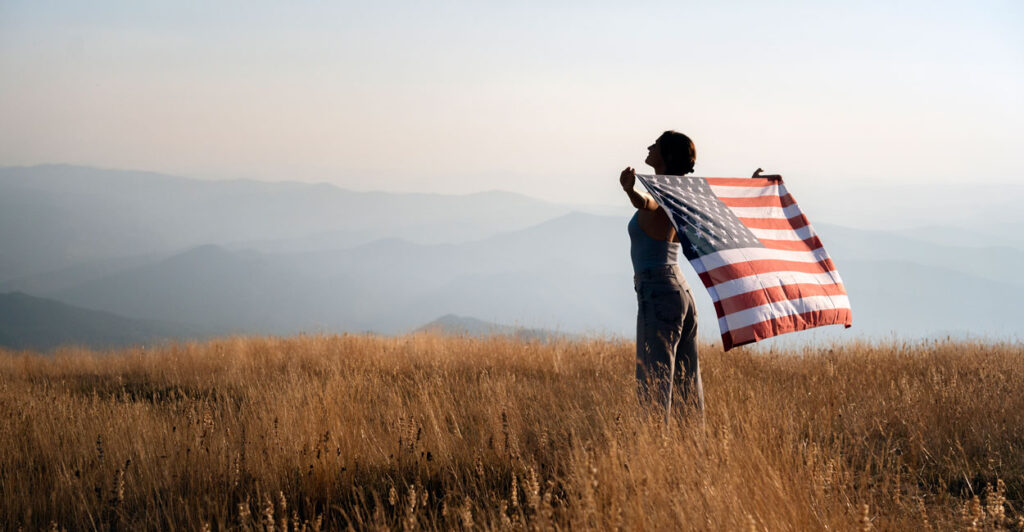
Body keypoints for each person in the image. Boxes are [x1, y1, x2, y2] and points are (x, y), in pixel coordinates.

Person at [620, 130, 704, 422]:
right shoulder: (683, 194)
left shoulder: (662, 194)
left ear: (666, 157)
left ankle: (656, 456)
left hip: (658, 292)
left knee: (653, 389)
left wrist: (630, 191)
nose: (648, 146)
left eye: (655, 144)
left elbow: (647, 204)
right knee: (686, 391)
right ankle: (691, 455)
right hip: (680, 293)